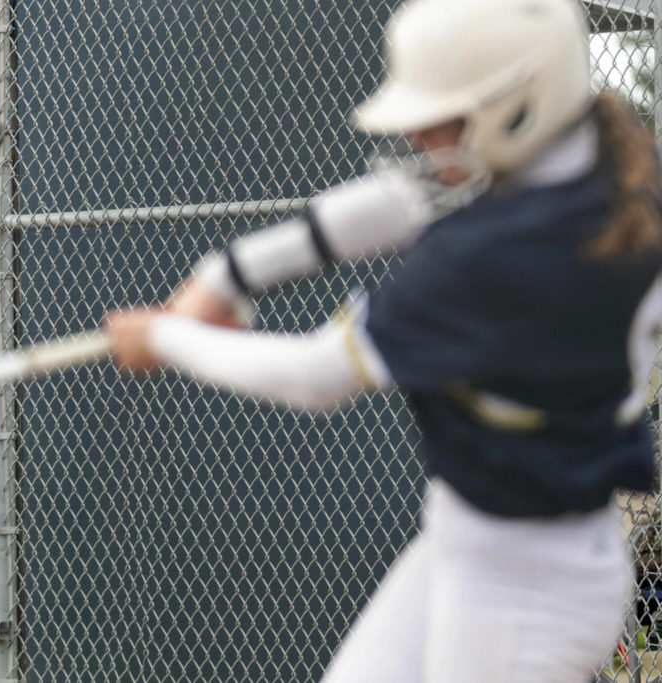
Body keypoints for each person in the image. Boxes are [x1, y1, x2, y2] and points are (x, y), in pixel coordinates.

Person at [106, 0, 662, 680]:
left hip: (526, 595)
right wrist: (223, 278)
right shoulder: (602, 156)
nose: (422, 141)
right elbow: (401, 200)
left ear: (517, 106)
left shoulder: (496, 259)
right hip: (483, 541)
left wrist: (166, 338)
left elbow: (314, 376)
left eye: (438, 122)